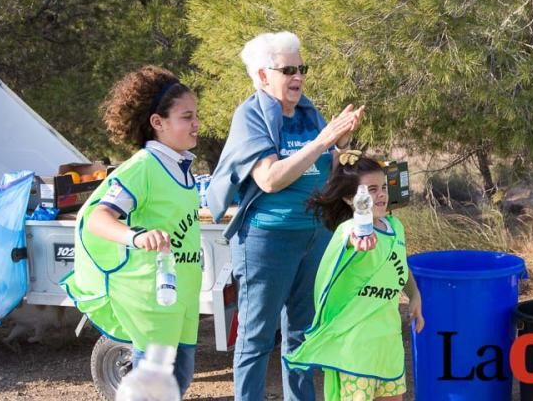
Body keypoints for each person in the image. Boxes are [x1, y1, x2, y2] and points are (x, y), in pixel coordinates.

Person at [205, 31, 365, 401]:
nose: (298, 77)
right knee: (257, 335)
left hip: (315, 236)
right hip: (268, 240)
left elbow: (323, 168)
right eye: (288, 69)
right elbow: (270, 178)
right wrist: (324, 141)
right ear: (262, 75)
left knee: (304, 333)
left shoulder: (309, 112)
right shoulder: (251, 115)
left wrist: (339, 147)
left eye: (301, 67)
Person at [61, 65, 201, 396]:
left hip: (181, 298)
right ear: (158, 122)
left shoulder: (181, 168)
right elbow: (97, 218)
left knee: (177, 381)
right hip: (153, 301)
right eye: (186, 117)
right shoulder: (143, 168)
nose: (196, 124)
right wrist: (136, 236)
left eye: (196, 115)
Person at [283, 151, 424, 401]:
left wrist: (414, 296)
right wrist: (357, 236)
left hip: (387, 345)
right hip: (355, 348)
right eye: (370, 189)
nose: (380, 194)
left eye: (383, 187)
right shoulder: (348, 231)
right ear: (350, 199)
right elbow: (351, 239)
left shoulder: (396, 227)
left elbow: (399, 267)